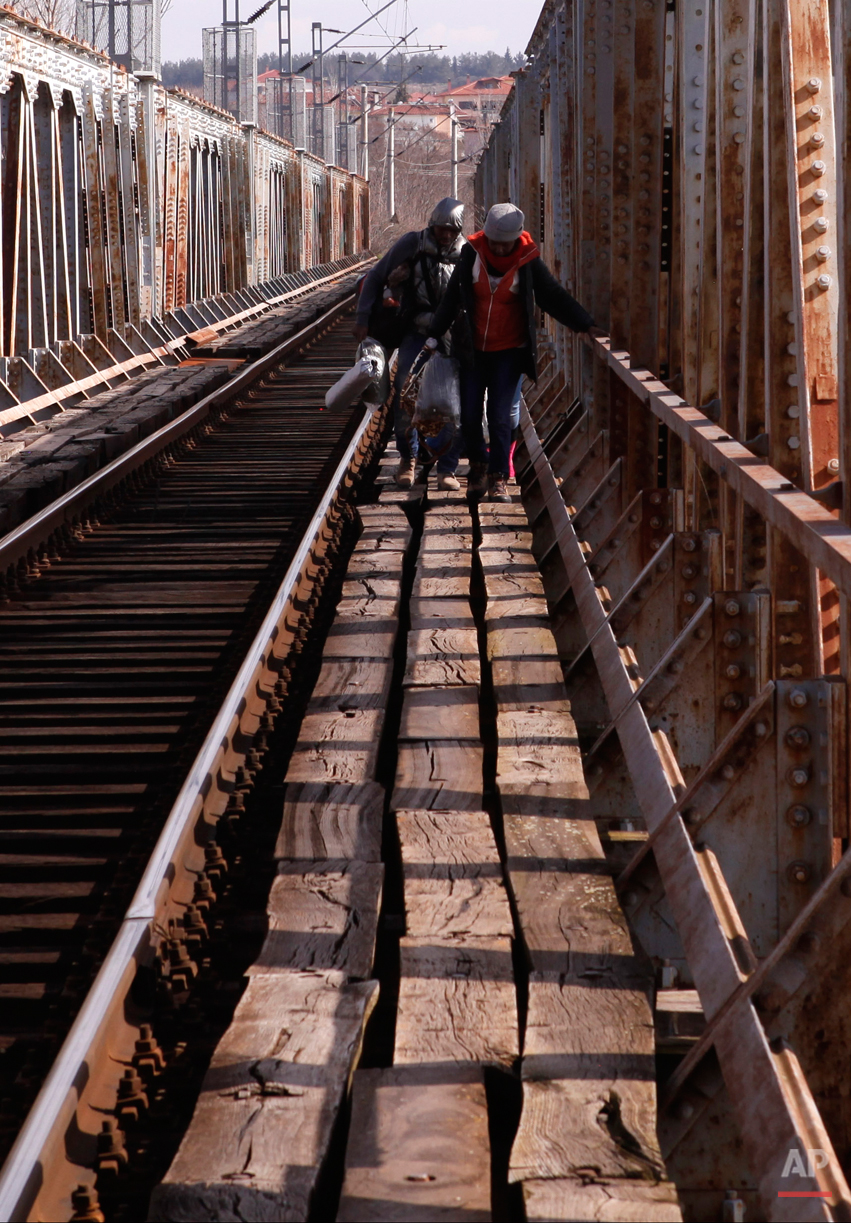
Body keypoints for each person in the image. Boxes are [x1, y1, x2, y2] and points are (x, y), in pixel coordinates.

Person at [428, 202, 605, 501]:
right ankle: (478, 467)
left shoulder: (528, 259)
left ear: (516, 239)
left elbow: (552, 297)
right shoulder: (472, 253)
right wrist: (433, 335)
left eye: (504, 244)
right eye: (494, 243)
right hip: (473, 350)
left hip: (509, 351)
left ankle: (499, 478)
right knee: (469, 416)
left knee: (499, 416)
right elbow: (452, 298)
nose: (498, 249)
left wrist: (585, 324)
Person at [353, 198, 466, 489]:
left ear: (458, 230)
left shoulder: (467, 252)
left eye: (450, 230)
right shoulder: (412, 244)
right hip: (417, 330)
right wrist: (364, 317)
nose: (444, 235)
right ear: (432, 224)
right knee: (406, 391)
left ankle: (447, 468)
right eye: (440, 228)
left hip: (452, 335)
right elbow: (376, 277)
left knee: (457, 399)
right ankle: (408, 458)